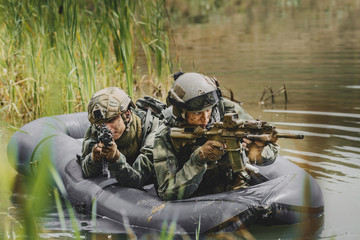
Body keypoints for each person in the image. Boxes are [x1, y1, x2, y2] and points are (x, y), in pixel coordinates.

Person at [153, 72, 280, 200]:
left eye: (208, 110)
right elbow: (167, 193)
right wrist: (199, 159)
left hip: (233, 189)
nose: (205, 118)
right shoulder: (166, 134)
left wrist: (258, 150)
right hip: (193, 199)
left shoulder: (229, 111)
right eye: (197, 113)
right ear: (181, 112)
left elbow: (272, 154)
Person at [80, 87, 160, 188]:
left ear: (127, 115)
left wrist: (116, 158)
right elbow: (86, 170)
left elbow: (138, 179)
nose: (107, 128)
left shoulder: (152, 130)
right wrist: (94, 158)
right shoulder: (97, 129)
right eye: (102, 123)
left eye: (111, 120)